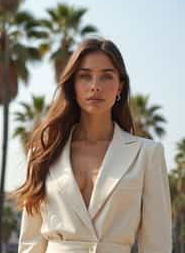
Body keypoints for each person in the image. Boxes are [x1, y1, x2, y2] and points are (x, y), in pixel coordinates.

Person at [12, 37, 172, 253]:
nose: (95, 86)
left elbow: (157, 244)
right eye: (85, 76)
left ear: (120, 87)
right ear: (73, 85)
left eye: (106, 77)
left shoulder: (147, 154)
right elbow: (30, 243)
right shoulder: (43, 153)